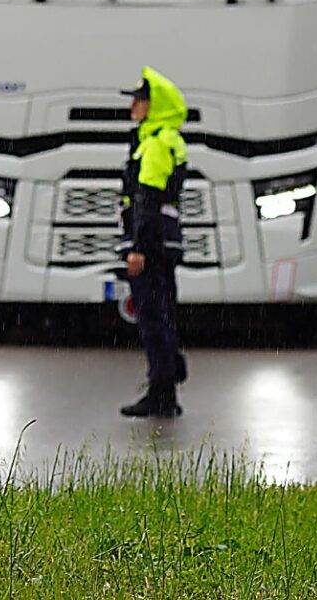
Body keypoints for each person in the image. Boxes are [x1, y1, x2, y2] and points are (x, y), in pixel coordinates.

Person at [118, 67, 190, 419]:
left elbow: (146, 200)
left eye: (139, 99)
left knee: (151, 315)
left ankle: (161, 389)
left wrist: (138, 249)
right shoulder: (166, 139)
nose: (134, 105)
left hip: (153, 241)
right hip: (165, 239)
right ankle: (166, 385)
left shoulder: (156, 144)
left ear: (154, 105)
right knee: (162, 312)